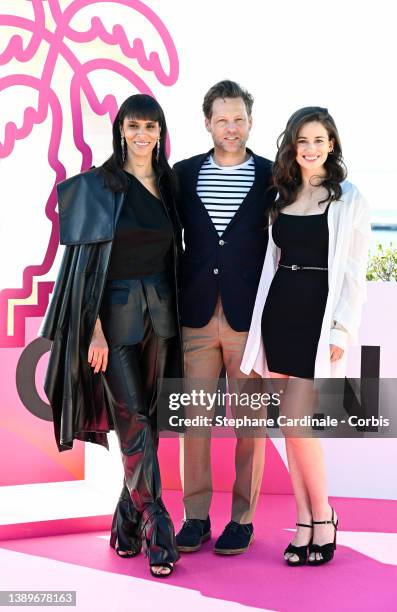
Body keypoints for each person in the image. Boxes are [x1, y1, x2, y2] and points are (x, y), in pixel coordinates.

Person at [40, 94, 183, 578]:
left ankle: (124, 523)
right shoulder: (98, 187)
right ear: (121, 130)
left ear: (161, 132)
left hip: (161, 319)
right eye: (133, 125)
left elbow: (174, 258)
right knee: (133, 420)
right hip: (113, 322)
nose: (142, 134)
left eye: (151, 126)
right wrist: (93, 331)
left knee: (148, 423)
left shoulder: (168, 185)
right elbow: (82, 269)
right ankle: (156, 524)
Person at [241, 107, 371, 565]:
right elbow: (270, 266)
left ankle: (324, 516)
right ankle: (303, 522)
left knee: (301, 425)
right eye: (303, 141)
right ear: (292, 148)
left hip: (318, 319)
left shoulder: (348, 198)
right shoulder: (281, 195)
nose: (311, 149)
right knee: (291, 430)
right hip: (280, 313)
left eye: (319, 140)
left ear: (331, 144)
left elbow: (355, 272)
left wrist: (342, 326)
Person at [173, 80, 273, 555]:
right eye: (222, 119)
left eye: (239, 119)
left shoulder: (274, 176)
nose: (230, 128)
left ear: (250, 122)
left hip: (248, 320)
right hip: (195, 316)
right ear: (207, 122)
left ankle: (242, 520)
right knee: (195, 422)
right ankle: (195, 517)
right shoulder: (183, 173)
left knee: (249, 424)